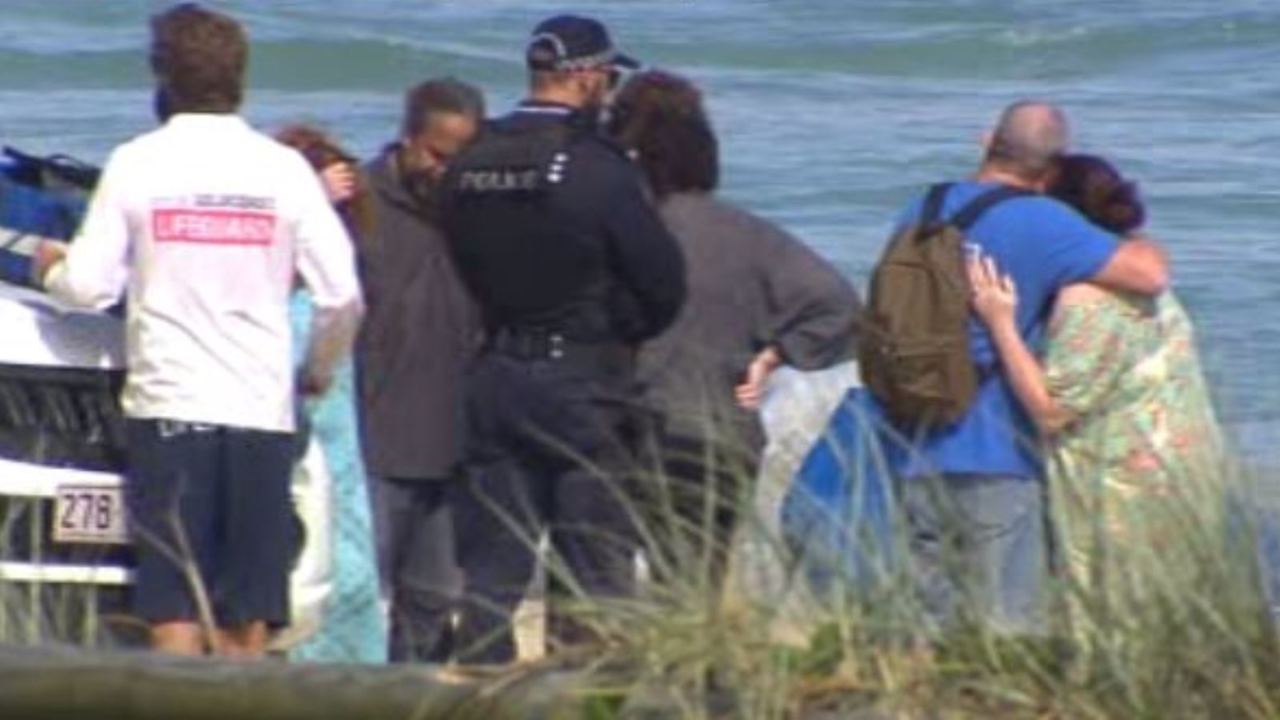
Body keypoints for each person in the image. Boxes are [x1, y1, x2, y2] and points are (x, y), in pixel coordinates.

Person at [32, 4, 362, 658]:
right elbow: (343, 296)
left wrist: (51, 270)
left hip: (171, 404)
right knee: (250, 613)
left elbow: (91, 287)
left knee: (174, 605)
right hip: (259, 407)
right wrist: (318, 372)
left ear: (163, 79)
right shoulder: (282, 170)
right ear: (239, 78)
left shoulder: (138, 162)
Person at [438, 15, 686, 663]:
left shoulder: (471, 162)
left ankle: (478, 702)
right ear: (586, 76)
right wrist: (618, 330)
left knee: (492, 575)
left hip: (495, 373)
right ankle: (587, 701)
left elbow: (459, 260)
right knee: (593, 576)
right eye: (606, 75)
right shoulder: (596, 167)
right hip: (582, 382)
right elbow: (662, 282)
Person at [883, 101, 1169, 636]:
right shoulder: (1040, 220)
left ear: (986, 139)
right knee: (1008, 633)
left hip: (913, 445)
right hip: (997, 453)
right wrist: (1132, 229)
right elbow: (1149, 276)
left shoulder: (924, 206)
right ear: (1051, 167)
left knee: (927, 632)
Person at [606, 70, 861, 589]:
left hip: (622, 429)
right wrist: (778, 354)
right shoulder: (749, 236)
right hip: (717, 433)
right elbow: (840, 307)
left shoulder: (613, 232)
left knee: (601, 587)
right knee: (693, 591)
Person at [967, 153, 1224, 625]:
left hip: (1123, 479)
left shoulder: (1087, 301)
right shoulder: (1144, 274)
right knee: (1177, 608)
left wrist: (1000, 322)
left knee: (1116, 613)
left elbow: (1051, 411)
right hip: (1185, 460)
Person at [355, 78, 484, 663]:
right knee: (356, 592)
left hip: (457, 441)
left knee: (432, 602)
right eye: (436, 154)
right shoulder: (357, 202)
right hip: (372, 438)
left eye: (460, 160)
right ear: (407, 138)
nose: (445, 171)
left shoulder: (482, 212)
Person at [275, 124, 386, 664]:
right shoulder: (278, 293)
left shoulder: (324, 289)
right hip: (303, 445)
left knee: (346, 576)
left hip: (332, 446)